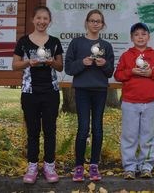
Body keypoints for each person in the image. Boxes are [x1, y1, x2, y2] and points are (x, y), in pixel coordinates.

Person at [12, 5, 64, 184]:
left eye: (45, 19)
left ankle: (49, 165)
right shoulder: (23, 41)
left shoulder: (55, 41)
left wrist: (51, 62)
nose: (42, 21)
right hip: (30, 92)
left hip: (51, 92)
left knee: (50, 130)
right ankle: (32, 166)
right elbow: (15, 65)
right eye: (39, 18)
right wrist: (28, 62)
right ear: (33, 20)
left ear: (50, 21)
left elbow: (60, 66)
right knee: (33, 131)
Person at [114, 22, 154, 180]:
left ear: (148, 37)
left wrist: (151, 73)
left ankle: (146, 166)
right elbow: (118, 75)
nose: (140, 37)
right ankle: (130, 167)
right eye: (136, 34)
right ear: (132, 38)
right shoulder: (127, 55)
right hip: (130, 102)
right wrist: (131, 71)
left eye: (143, 34)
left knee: (148, 136)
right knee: (129, 136)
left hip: (150, 102)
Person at [65, 9, 115, 182]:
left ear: (102, 25)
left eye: (98, 21)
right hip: (82, 90)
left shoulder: (106, 46)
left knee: (97, 128)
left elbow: (110, 72)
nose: (95, 23)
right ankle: (79, 166)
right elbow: (69, 68)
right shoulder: (76, 43)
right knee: (83, 128)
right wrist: (83, 63)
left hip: (100, 90)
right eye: (92, 20)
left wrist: (104, 63)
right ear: (86, 22)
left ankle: (94, 165)